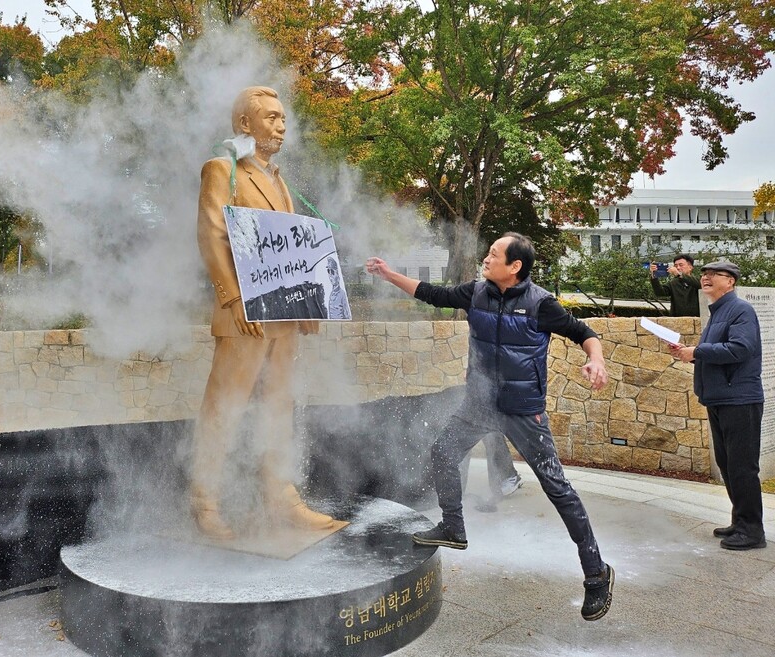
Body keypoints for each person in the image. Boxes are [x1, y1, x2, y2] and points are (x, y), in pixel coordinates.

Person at [366, 232, 614, 621]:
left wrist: (596, 360)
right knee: (442, 452)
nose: (486, 257)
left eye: (495, 253)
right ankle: (453, 526)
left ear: (515, 266)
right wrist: (389, 274)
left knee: (557, 488)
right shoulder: (477, 293)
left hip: (523, 413)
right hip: (478, 405)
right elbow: (432, 292)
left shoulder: (540, 304)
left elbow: (585, 334)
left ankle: (596, 573)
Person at [192, 86, 335, 540]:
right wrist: (234, 299)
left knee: (279, 405)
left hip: (283, 317)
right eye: (271, 117)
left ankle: (281, 497)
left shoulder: (279, 180)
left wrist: (308, 300)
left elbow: (291, 246)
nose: (281, 124)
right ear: (244, 124)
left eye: (283, 118)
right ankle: (204, 501)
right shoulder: (222, 170)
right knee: (224, 407)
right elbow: (213, 235)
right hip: (242, 315)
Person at [669, 261, 766, 551]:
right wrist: (691, 354)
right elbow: (718, 353)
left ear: (731, 282)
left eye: (715, 275)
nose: (706, 278)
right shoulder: (720, 312)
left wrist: (697, 351)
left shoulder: (740, 310)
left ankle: (752, 531)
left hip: (740, 399)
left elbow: (741, 348)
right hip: (721, 397)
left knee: (742, 466)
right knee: (727, 464)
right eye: (705, 274)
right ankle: (740, 521)